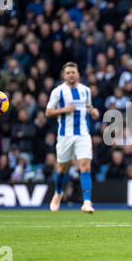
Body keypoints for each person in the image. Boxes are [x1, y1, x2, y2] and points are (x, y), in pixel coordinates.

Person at [45, 62, 100, 213]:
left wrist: (93, 111)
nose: (71, 75)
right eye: (68, 72)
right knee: (62, 168)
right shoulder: (58, 91)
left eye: (73, 72)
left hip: (83, 134)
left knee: (85, 165)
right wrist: (64, 110)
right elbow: (48, 112)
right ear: (64, 75)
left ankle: (87, 202)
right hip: (65, 136)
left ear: (78, 74)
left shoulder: (86, 90)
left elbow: (88, 106)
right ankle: (58, 193)